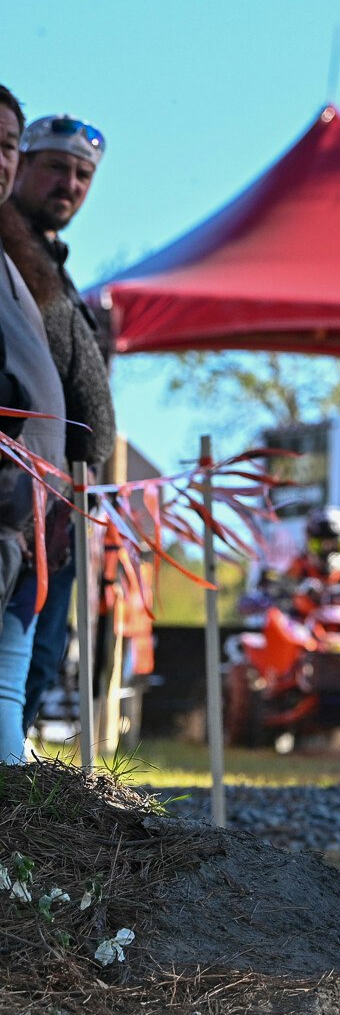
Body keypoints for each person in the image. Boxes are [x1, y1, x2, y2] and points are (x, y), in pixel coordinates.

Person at [3, 113, 115, 734]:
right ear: (20, 163)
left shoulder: (50, 260)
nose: (69, 184)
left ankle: (18, 811)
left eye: (83, 174)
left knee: (39, 661)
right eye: (55, 166)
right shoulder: (9, 252)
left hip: (59, 499)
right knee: (17, 664)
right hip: (21, 492)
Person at [0, 87, 70, 763]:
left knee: (13, 687)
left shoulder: (23, 257)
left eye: (5, 145)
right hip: (8, 505)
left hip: (30, 520)